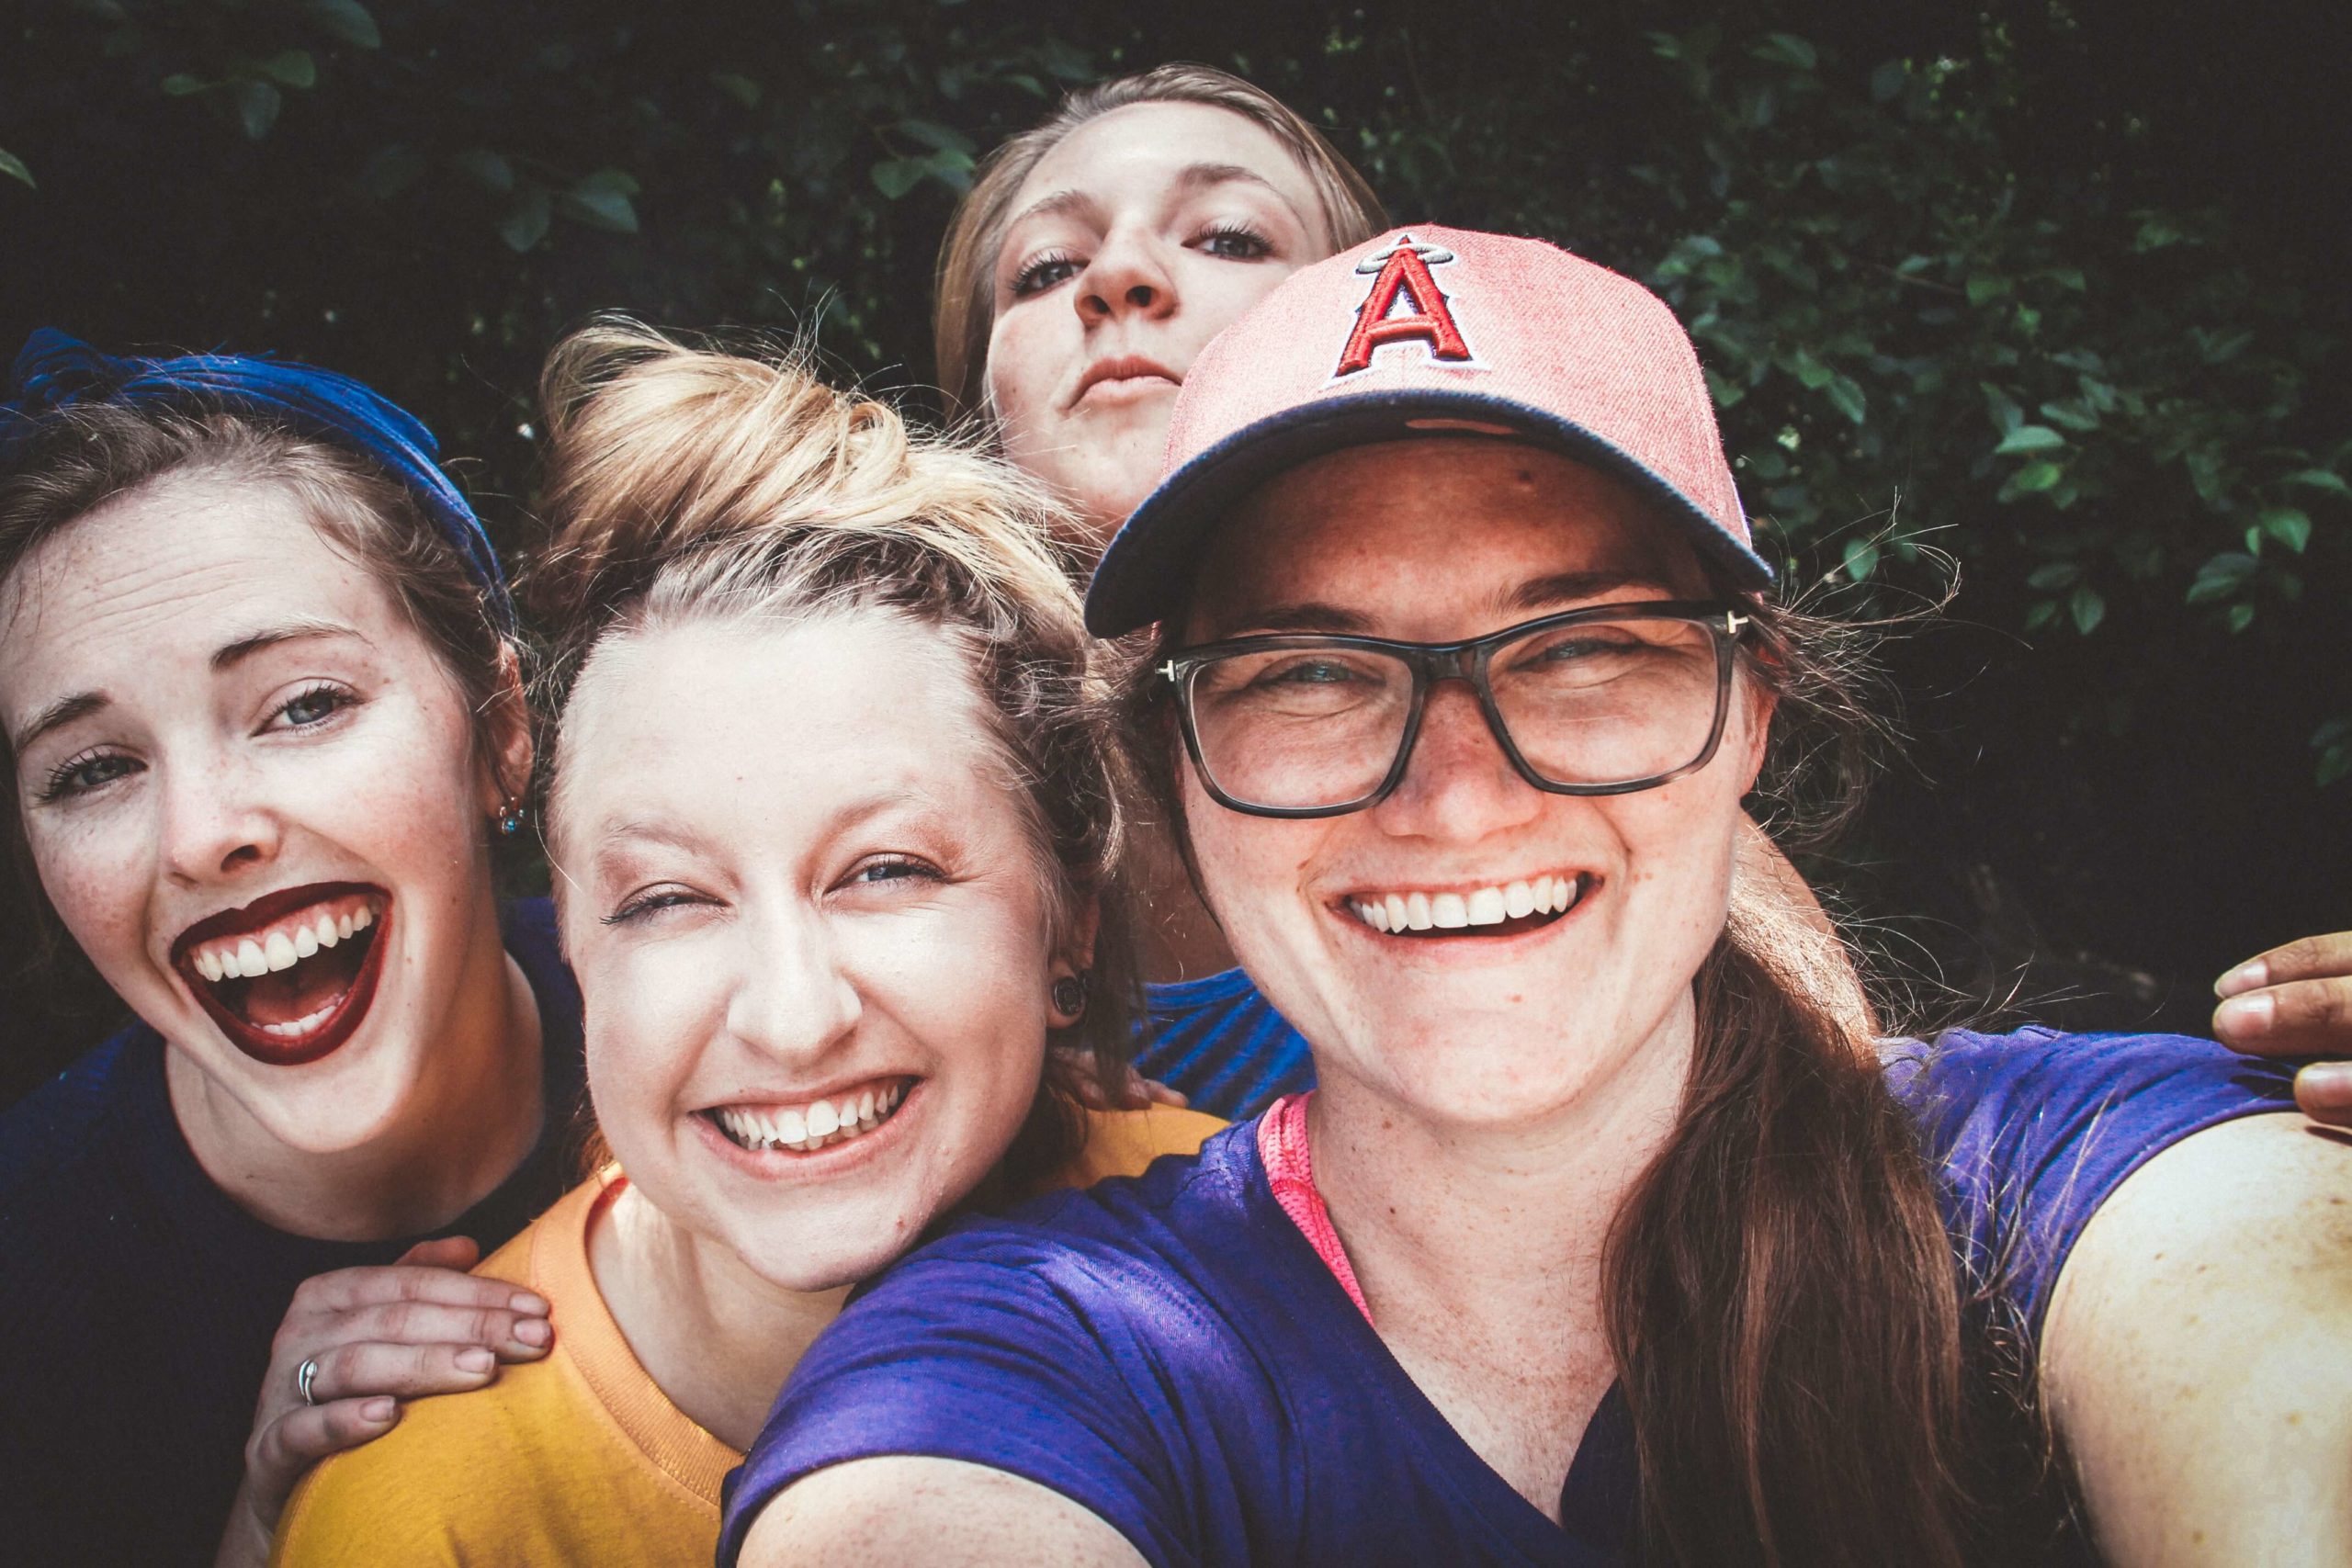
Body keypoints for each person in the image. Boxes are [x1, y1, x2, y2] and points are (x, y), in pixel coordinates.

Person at [721, 229, 2352, 1565]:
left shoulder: (2061, 1181)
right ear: (1178, 762)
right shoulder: (1049, 1349)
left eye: (1581, 648)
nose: (1456, 790)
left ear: (1754, 707)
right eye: (1309, 669)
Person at [266, 323, 1220, 1564]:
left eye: (886, 870)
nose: (791, 1014)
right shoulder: (421, 1509)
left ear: (1069, 918)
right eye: (668, 898)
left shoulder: (1258, 1250)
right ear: (575, 950)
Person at [936, 65, 1873, 1116]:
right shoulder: (893, 811)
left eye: (1229, 237)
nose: (1118, 277)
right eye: (1047, 267)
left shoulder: (1643, 829)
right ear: (977, 409)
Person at [0, 333, 574, 1567]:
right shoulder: (24, 1287)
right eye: (93, 769)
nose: (204, 836)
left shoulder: (721, 1018)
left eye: (303, 703)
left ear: (503, 732)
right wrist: (266, 1532)